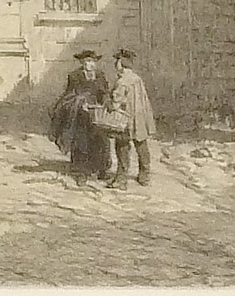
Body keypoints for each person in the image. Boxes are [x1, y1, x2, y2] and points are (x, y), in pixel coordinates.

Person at [49, 50, 111, 186]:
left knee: (101, 140)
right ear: (83, 63)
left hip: (97, 113)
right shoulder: (75, 76)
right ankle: (81, 172)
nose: (91, 64)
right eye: (88, 61)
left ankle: (101, 169)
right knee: (81, 142)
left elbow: (105, 92)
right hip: (80, 114)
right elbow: (69, 94)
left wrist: (105, 101)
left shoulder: (100, 76)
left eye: (93, 61)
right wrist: (79, 101)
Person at [106, 48, 156, 191]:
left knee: (122, 146)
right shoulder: (136, 78)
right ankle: (144, 176)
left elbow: (116, 101)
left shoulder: (122, 81)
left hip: (126, 118)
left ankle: (121, 179)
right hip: (139, 117)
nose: (116, 64)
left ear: (121, 63)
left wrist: (108, 104)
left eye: (117, 61)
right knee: (141, 144)